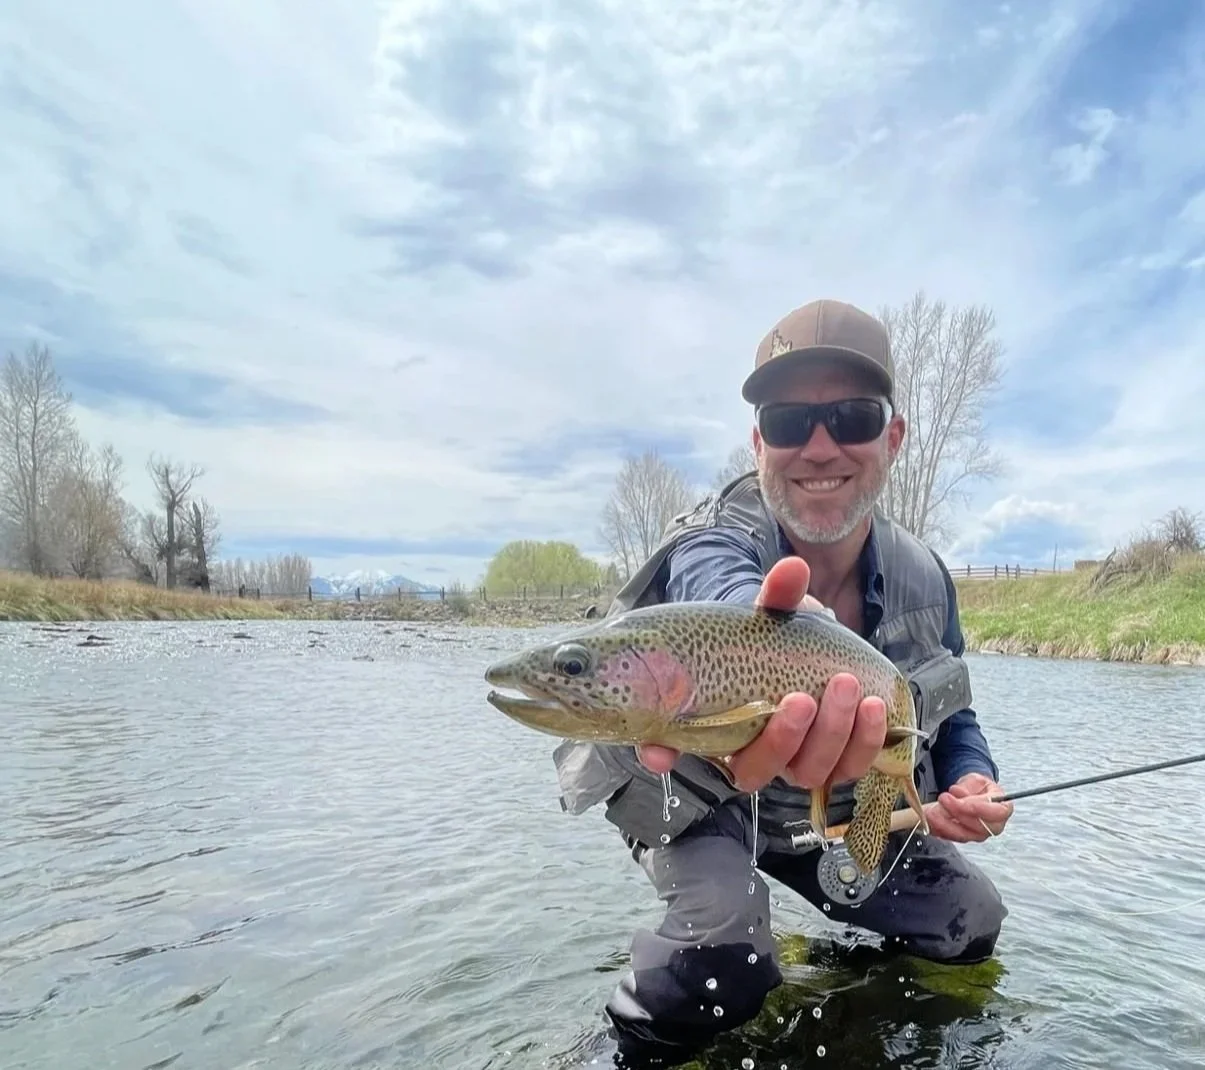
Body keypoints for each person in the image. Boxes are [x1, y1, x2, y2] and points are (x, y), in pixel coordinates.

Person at [549, 298, 1015, 1066]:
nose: (819, 446)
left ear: (892, 437)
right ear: (758, 442)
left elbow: (953, 715)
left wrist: (971, 779)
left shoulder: (926, 579)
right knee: (721, 969)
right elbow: (724, 590)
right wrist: (770, 623)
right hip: (702, 801)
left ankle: (846, 1011)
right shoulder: (710, 538)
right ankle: (617, 1050)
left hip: (838, 813)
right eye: (791, 422)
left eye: (853, 417)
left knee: (968, 919)